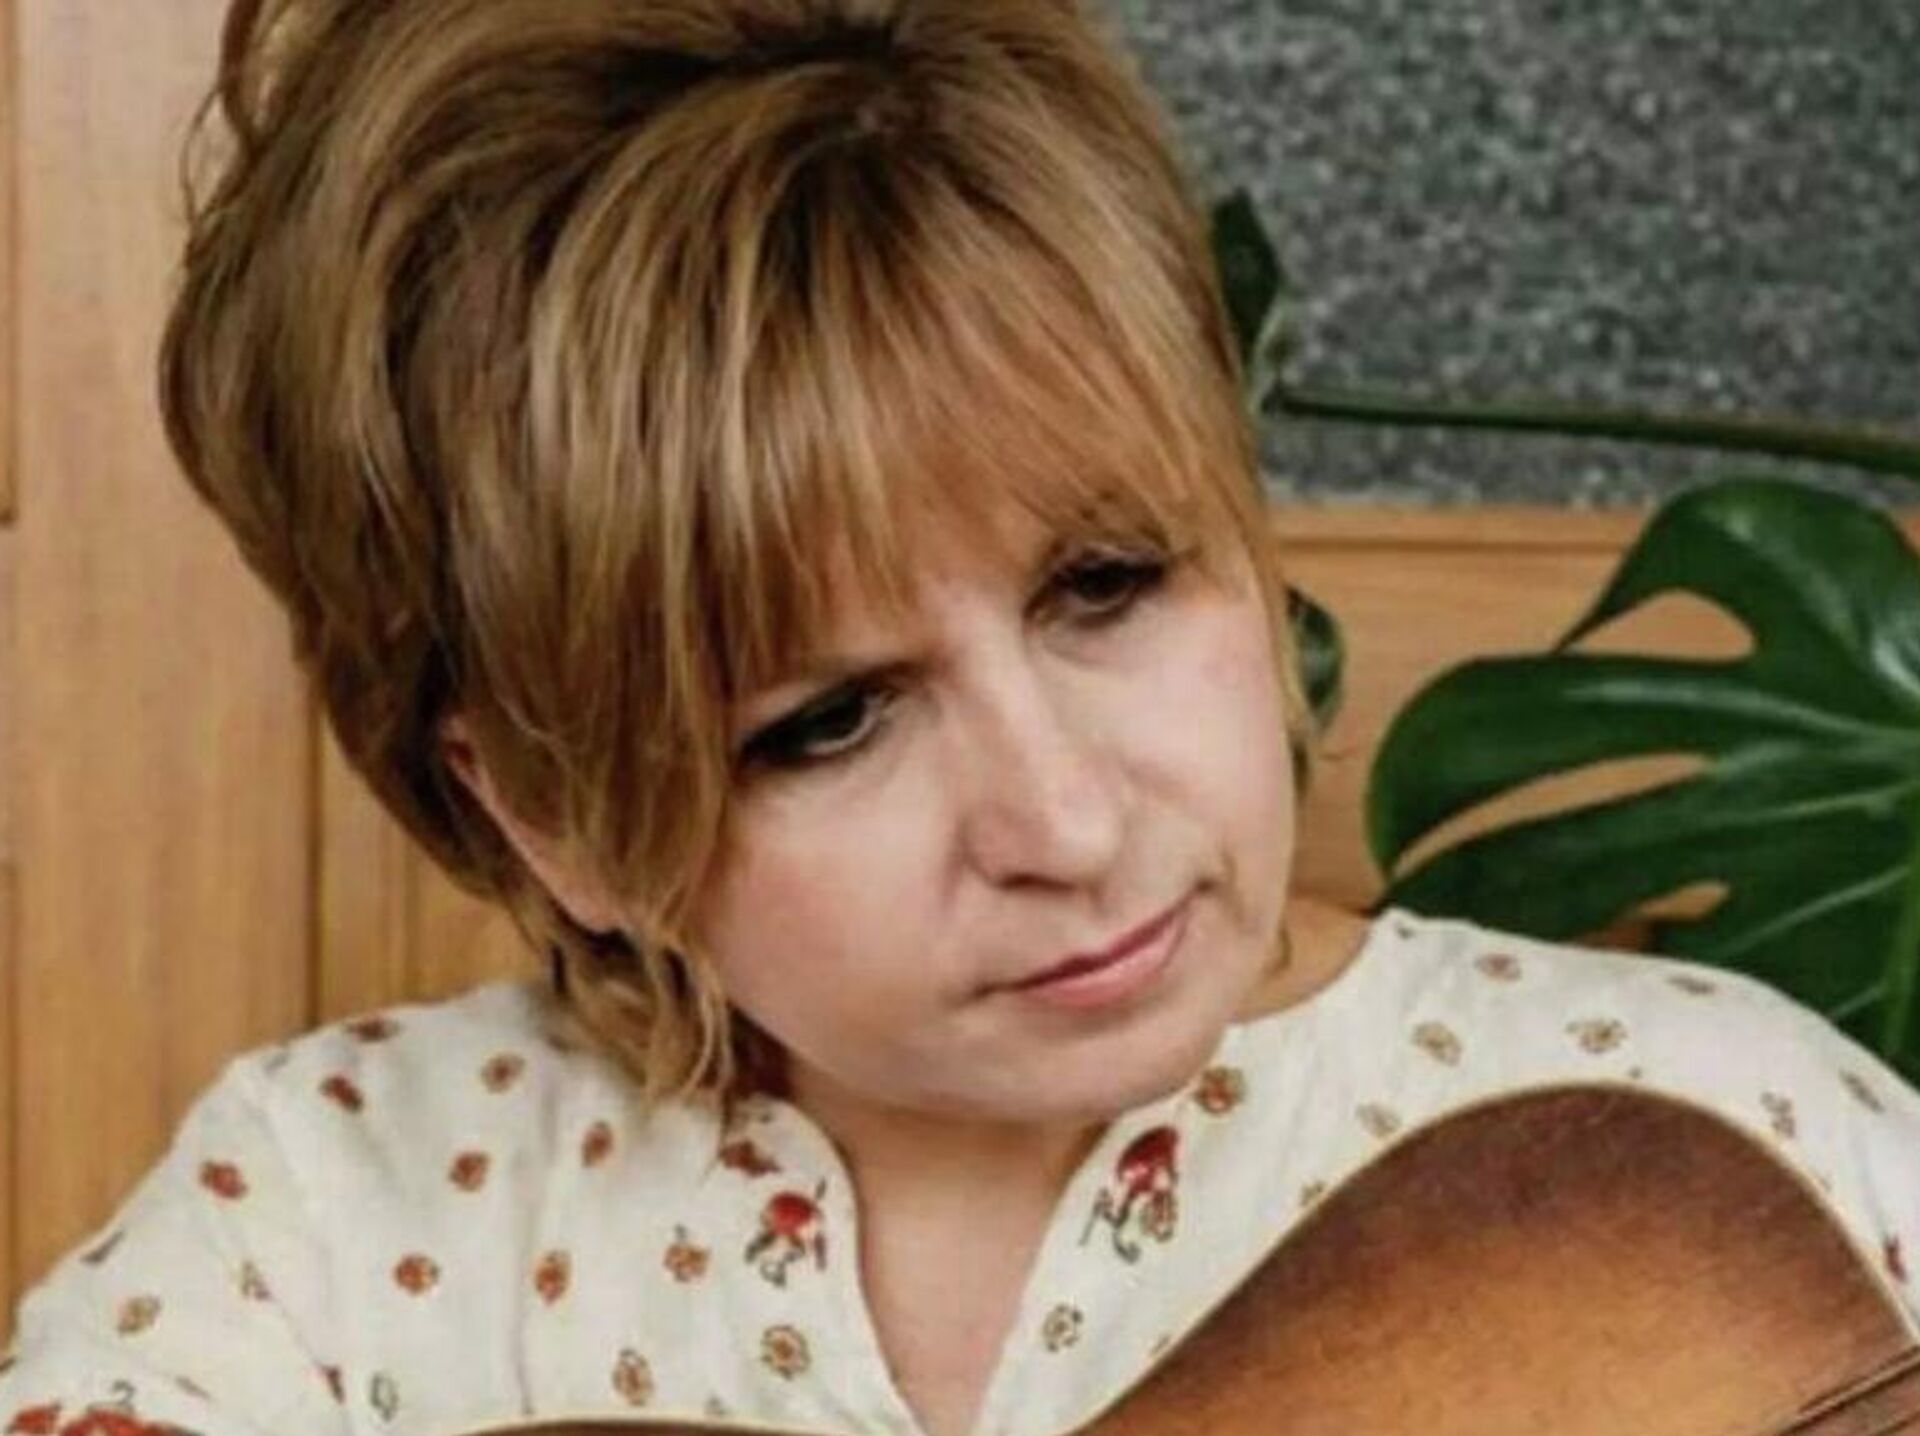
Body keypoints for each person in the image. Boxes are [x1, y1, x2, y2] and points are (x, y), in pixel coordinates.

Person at [3, 1, 1917, 1433]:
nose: (1064, 824)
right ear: (547, 817)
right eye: (829, 720)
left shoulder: (1733, 1138)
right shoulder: (328, 1217)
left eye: (1109, 586)